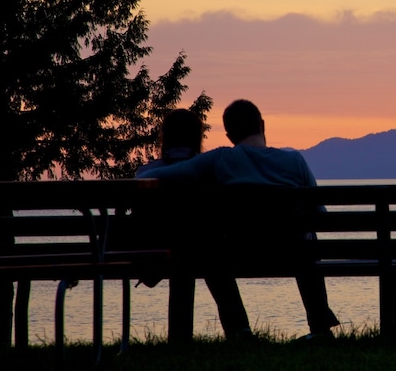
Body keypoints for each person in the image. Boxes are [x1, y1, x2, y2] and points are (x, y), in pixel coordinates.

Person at [137, 99, 341, 340]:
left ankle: (239, 329)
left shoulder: (220, 160)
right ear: (262, 125)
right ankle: (320, 327)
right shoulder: (294, 160)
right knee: (308, 240)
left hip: (238, 254)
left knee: (210, 248)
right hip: (292, 255)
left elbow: (152, 175)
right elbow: (320, 215)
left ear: (229, 135)